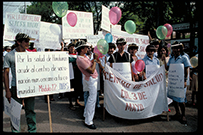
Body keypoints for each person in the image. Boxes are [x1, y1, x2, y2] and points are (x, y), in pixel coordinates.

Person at [3, 33, 36, 132]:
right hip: (15, 87)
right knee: (15, 113)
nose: (28, 43)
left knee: (30, 111)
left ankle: (32, 130)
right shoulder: (9, 56)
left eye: (28, 41)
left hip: (29, 87)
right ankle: (15, 131)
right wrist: (7, 91)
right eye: (25, 41)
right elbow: (5, 74)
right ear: (18, 42)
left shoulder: (30, 55)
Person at [162, 42, 191, 124]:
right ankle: (177, 113)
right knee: (174, 98)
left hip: (181, 81)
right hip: (173, 81)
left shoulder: (184, 58)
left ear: (180, 49)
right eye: (174, 48)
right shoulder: (171, 58)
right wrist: (164, 61)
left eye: (177, 48)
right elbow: (167, 68)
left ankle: (183, 115)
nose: (175, 50)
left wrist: (185, 80)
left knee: (181, 99)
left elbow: (186, 69)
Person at [75, 40, 98, 129]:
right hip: (91, 79)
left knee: (90, 98)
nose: (87, 49)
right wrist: (95, 60)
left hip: (90, 78)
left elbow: (90, 64)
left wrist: (94, 60)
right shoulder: (80, 59)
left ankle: (86, 114)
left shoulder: (83, 57)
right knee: (92, 99)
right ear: (81, 49)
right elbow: (91, 70)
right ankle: (89, 121)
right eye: (85, 48)